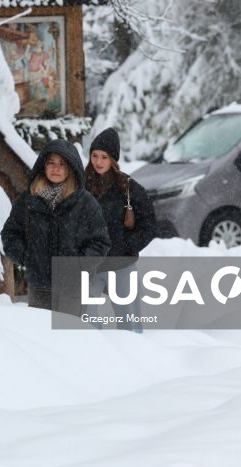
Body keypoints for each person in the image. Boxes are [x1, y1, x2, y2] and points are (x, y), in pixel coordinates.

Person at [1, 139, 110, 312]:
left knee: (69, 337)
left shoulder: (86, 203)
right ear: (43, 166)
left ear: (71, 168)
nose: (56, 168)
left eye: (62, 164)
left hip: (73, 288)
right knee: (38, 337)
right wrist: (28, 258)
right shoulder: (29, 200)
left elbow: (100, 242)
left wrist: (78, 266)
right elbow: (10, 234)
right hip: (39, 286)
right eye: (51, 163)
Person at [84, 127, 157, 332]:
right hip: (90, 267)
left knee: (130, 326)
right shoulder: (81, 185)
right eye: (95, 156)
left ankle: (134, 362)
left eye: (104, 157)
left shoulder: (128, 187)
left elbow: (149, 224)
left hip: (120, 265)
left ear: (113, 159)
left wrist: (127, 244)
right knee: (85, 322)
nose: (98, 162)